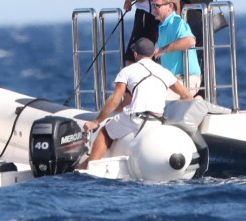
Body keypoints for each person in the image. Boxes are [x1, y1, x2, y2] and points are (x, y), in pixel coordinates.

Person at [81, 37, 195, 167]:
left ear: (135, 54)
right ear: (153, 54)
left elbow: (115, 99)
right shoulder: (165, 72)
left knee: (104, 133)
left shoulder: (128, 71)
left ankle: (91, 167)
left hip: (135, 119)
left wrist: (96, 122)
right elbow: (186, 95)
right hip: (157, 120)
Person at [152, 0, 202, 98]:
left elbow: (189, 41)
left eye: (157, 6)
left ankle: (193, 101)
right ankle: (192, 102)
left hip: (187, 79)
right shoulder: (162, 27)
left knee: (156, 98)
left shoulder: (176, 22)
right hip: (172, 81)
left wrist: (162, 50)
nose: (154, 9)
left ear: (170, 6)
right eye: (153, 6)